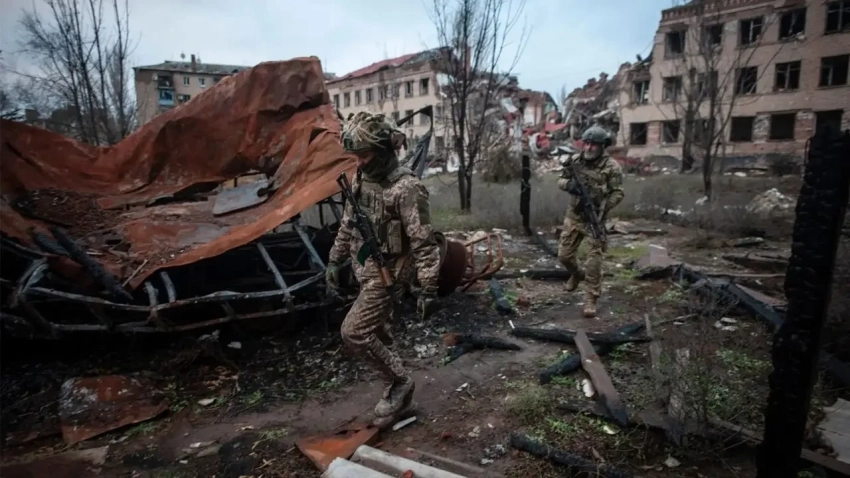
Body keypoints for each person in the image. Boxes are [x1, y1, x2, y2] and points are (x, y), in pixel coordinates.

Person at [325, 111, 441, 427]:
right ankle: (398, 397)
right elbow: (348, 223)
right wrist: (334, 260)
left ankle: (400, 382)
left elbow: (424, 243)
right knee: (378, 331)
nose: (359, 162)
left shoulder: (406, 189)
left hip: (392, 271)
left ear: (384, 149)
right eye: (356, 156)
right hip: (366, 266)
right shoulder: (362, 179)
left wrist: (429, 288)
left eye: (364, 155)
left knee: (354, 332)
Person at [556, 125, 624, 318]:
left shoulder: (612, 167)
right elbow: (560, 180)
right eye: (586, 143)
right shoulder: (576, 161)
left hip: (595, 220)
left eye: (593, 144)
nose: (588, 148)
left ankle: (591, 298)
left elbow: (618, 192)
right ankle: (576, 274)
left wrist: (603, 206)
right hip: (574, 217)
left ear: (602, 146)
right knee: (564, 256)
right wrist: (569, 185)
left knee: (594, 262)